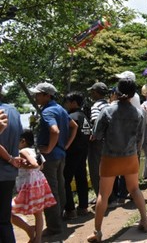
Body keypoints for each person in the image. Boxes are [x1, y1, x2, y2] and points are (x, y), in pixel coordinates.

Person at [88, 78, 147, 242]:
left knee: (103, 195)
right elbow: (140, 138)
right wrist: (134, 151)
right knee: (135, 189)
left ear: (116, 91)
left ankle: (98, 232)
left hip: (110, 157)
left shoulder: (107, 110)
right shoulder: (138, 112)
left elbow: (97, 134)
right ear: (133, 94)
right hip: (130, 157)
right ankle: (145, 220)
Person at [30, 82, 78, 237]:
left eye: (38, 94)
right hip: (60, 155)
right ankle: (59, 220)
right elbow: (74, 126)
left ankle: (54, 227)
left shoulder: (48, 112)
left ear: (47, 95)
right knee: (60, 188)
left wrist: (49, 148)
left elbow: (54, 131)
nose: (35, 97)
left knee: (50, 191)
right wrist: (65, 146)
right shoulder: (61, 110)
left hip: (50, 158)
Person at [11, 130, 57, 243]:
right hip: (39, 184)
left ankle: (29, 229)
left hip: (29, 186)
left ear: (23, 141)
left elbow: (35, 164)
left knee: (8, 212)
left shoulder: (23, 151)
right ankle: (38, 239)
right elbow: (40, 166)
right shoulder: (35, 151)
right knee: (38, 213)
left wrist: (23, 166)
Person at [62, 91, 91, 219]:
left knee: (65, 180)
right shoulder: (84, 116)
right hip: (83, 151)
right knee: (81, 178)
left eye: (67, 102)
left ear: (74, 103)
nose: (66, 105)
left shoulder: (72, 117)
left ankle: (70, 210)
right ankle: (83, 207)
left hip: (72, 152)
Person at [1, 90, 24, 243]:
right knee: (4, 220)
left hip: (7, 165)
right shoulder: (14, 112)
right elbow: (19, 137)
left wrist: (9, 158)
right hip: (9, 173)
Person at [86, 82, 110, 205]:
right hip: (110, 142)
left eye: (92, 91)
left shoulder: (96, 106)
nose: (91, 94)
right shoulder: (110, 105)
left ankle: (100, 196)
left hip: (98, 142)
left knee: (95, 169)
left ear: (96, 92)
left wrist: (94, 136)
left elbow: (96, 122)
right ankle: (109, 195)